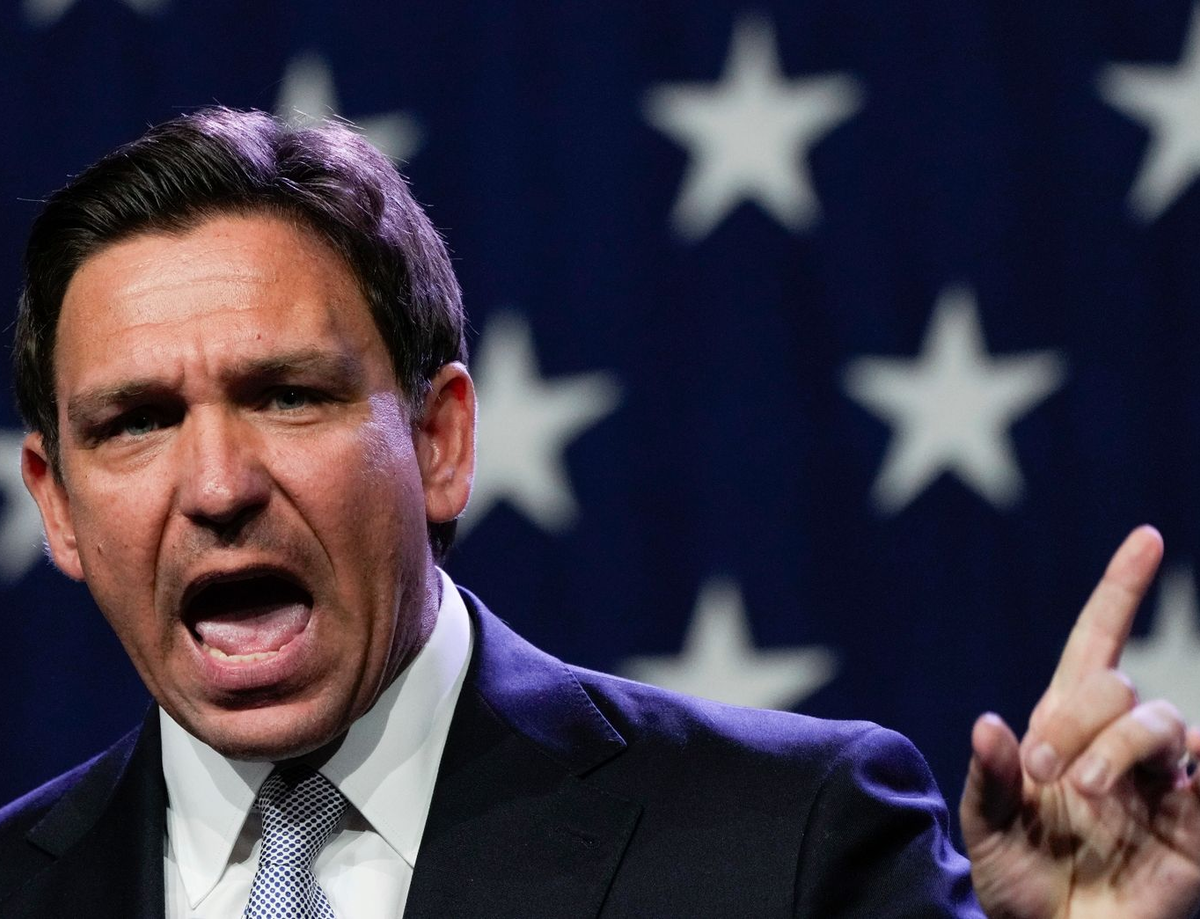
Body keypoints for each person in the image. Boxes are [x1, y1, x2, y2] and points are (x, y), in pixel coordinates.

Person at [0, 107, 1196, 919]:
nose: (217, 486)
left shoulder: (789, 846)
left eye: (288, 393)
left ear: (440, 441)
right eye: (135, 422)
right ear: (56, 505)